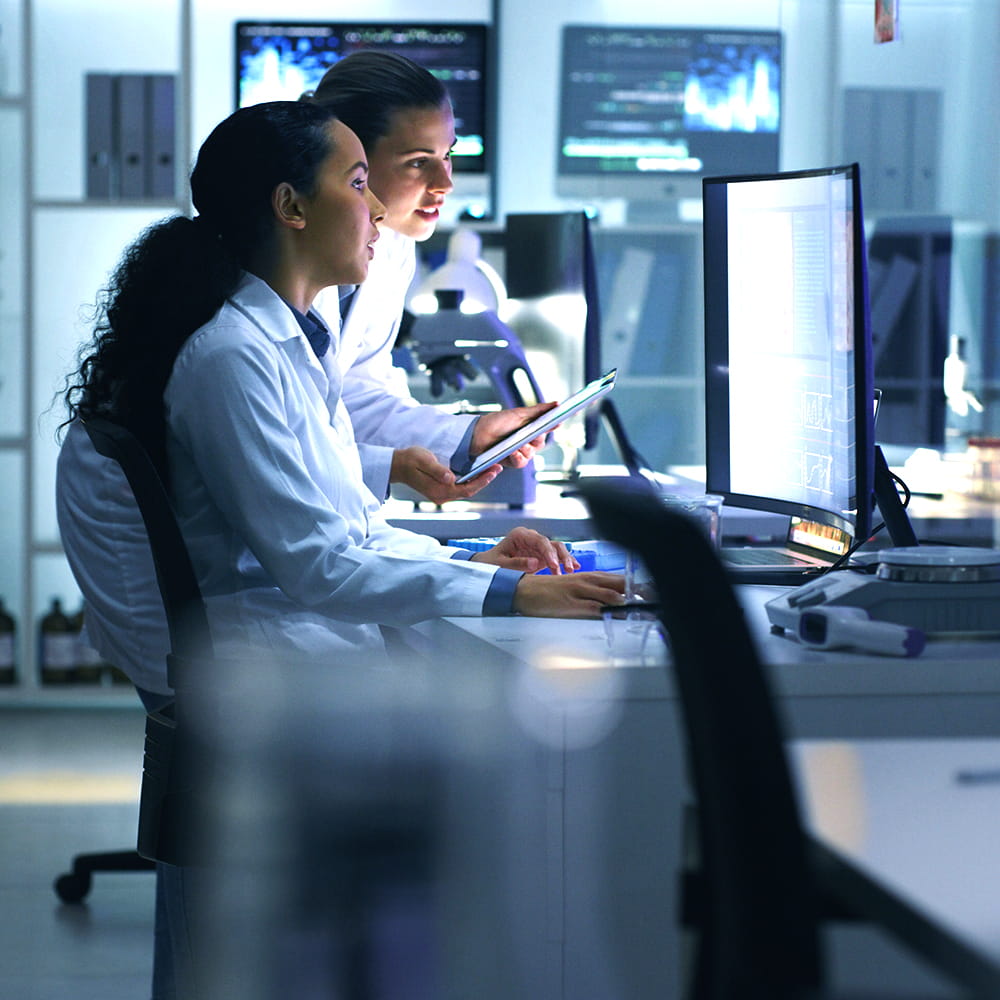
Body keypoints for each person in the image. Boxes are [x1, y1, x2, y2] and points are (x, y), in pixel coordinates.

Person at [57, 100, 623, 998]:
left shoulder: (283, 340)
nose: (379, 211)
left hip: (284, 639)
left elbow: (345, 526)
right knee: (543, 741)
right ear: (291, 207)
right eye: (359, 183)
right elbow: (319, 564)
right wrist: (512, 598)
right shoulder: (231, 357)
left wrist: (473, 568)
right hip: (270, 663)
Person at [305, 50, 556, 504]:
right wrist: (396, 466)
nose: (445, 182)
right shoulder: (278, 279)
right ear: (349, 160)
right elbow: (290, 450)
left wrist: (470, 434)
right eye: (419, 161)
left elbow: (358, 395)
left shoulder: (394, 246)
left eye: (448, 155)